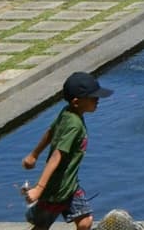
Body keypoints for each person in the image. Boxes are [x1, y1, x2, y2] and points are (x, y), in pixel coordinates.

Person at [24, 70, 111, 230]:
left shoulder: (67, 112)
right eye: (93, 97)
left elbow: (51, 131)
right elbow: (57, 155)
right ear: (77, 102)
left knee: (85, 221)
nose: (97, 100)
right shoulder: (74, 124)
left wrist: (34, 154)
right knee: (41, 226)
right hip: (57, 189)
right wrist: (39, 188)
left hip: (70, 187)